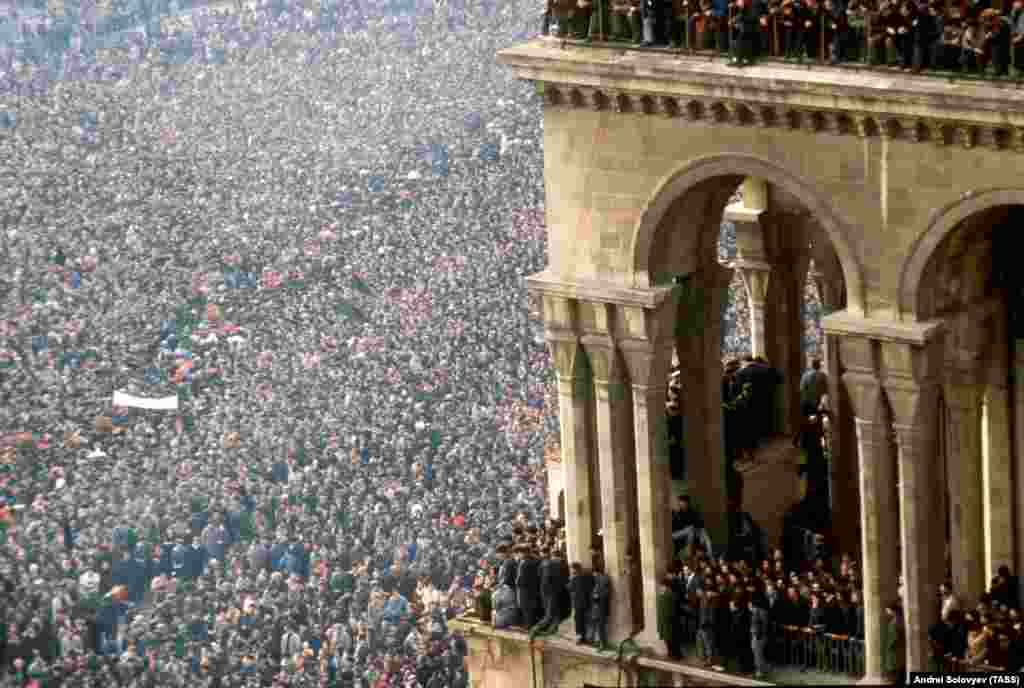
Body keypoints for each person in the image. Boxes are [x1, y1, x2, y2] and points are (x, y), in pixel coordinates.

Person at [567, 563, 594, 644]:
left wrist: (570, 579)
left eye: (572, 569)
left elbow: (569, 588)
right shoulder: (588, 576)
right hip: (587, 602)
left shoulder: (574, 578)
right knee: (587, 621)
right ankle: (588, 638)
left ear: (575, 569)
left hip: (578, 603)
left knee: (579, 621)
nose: (571, 571)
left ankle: (580, 638)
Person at [657, 576, 683, 659]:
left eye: (662, 586)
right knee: (669, 642)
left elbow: (673, 611)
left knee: (672, 642)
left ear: (667, 586)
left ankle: (675, 655)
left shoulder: (670, 595)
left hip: (670, 623)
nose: (661, 588)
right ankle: (673, 655)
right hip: (666, 623)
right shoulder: (663, 595)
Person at [749, 592, 770, 679]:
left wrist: (757, 635)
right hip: (756, 635)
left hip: (759, 636)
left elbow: (764, 626)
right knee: (757, 654)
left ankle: (760, 672)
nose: (749, 603)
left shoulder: (761, 611)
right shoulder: (755, 611)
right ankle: (763, 669)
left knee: (758, 655)